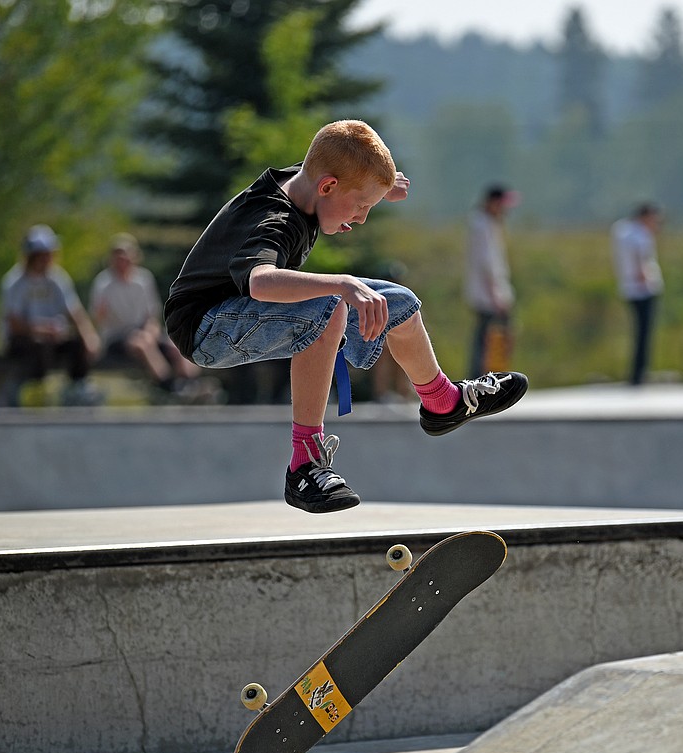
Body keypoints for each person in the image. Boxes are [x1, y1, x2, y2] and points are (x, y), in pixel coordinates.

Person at [164, 120, 528, 514]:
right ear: (327, 188)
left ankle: (442, 402)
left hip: (242, 315)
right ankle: (304, 465)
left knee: (398, 303)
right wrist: (342, 283)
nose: (362, 218)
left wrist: (380, 187)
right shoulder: (274, 220)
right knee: (330, 304)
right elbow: (260, 281)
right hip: (207, 327)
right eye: (361, 206)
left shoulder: (309, 179)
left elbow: (337, 159)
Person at [90, 233, 204, 399]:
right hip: (117, 336)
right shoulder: (103, 283)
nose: (123, 263)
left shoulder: (143, 279)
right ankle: (169, 386)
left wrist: (151, 332)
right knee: (142, 343)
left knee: (175, 345)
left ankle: (191, 383)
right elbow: (98, 318)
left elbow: (152, 316)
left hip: (142, 332)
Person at [0, 224, 102, 406]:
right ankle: (35, 390)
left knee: (76, 343)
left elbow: (75, 312)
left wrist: (89, 336)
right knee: (40, 344)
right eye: (43, 254)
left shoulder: (58, 278)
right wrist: (40, 329)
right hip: (23, 341)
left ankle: (77, 389)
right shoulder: (15, 282)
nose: (48, 259)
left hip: (52, 339)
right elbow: (14, 323)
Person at [466, 184, 518, 378]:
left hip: (491, 291)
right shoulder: (481, 224)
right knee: (487, 338)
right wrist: (496, 295)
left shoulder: (488, 223)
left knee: (490, 337)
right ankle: (481, 377)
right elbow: (486, 263)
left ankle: (492, 374)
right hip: (488, 294)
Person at [611, 203, 664, 386]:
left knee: (639, 332)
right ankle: (639, 373)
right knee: (644, 333)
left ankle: (637, 372)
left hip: (628, 287)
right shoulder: (641, 235)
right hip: (643, 288)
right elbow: (640, 258)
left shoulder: (622, 231)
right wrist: (644, 277)